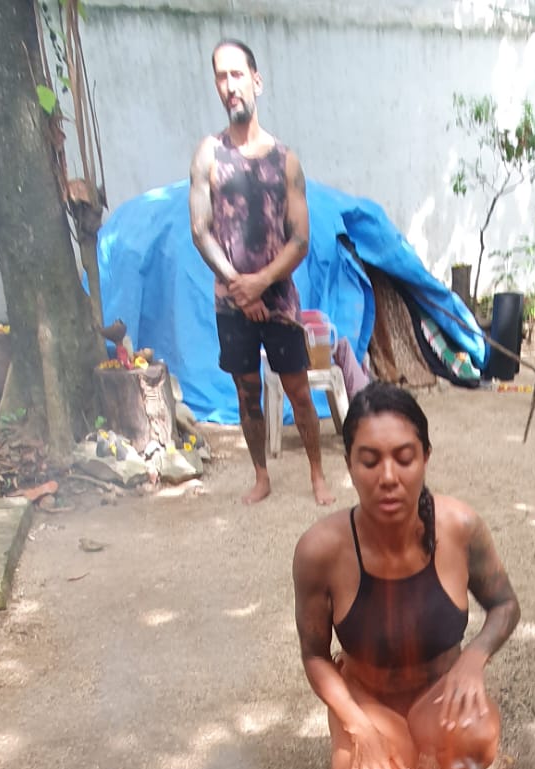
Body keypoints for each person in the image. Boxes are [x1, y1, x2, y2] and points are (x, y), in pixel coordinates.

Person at [294, 383, 519, 769]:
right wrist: (357, 724)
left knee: (477, 737)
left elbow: (504, 606)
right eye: (370, 460)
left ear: (426, 456)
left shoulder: (461, 528)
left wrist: (473, 659)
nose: (388, 477)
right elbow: (315, 656)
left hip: (439, 692)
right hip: (368, 697)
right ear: (350, 464)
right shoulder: (321, 550)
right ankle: (392, 768)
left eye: (404, 457)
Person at [189, 39, 334, 507]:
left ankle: (317, 473)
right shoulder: (208, 154)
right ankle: (261, 475)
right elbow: (200, 229)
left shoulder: (285, 160)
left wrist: (260, 284)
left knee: (298, 390)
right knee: (247, 391)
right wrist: (239, 285)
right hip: (230, 301)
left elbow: (300, 240)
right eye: (220, 76)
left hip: (277, 300)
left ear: (257, 81)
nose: (229, 86)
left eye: (237, 75)